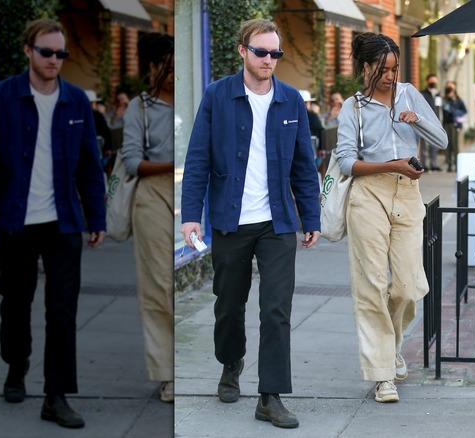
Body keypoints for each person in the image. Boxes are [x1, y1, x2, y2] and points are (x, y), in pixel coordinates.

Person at [0, 18, 106, 429]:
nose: (54, 60)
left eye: (61, 53)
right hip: (15, 222)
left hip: (62, 224)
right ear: (28, 51)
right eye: (47, 52)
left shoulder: (77, 100)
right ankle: (17, 363)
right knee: (15, 303)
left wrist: (96, 217)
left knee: (62, 310)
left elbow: (89, 168)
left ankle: (56, 396)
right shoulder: (4, 96)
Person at [180, 18, 320, 429]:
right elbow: (199, 159)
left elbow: (304, 167)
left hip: (277, 222)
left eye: (276, 53)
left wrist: (309, 217)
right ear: (243, 51)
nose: (269, 60)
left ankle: (270, 396)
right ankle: (231, 361)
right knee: (228, 304)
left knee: (276, 309)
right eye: (261, 52)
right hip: (229, 220)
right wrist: (191, 215)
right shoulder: (217, 96)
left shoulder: (291, 100)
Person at [334, 32, 447, 403]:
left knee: (407, 286)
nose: (389, 76)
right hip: (369, 194)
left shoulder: (409, 93)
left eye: (394, 69)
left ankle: (392, 347)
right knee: (372, 285)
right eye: (383, 69)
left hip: (407, 194)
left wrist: (418, 121)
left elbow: (442, 140)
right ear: (365, 67)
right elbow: (346, 161)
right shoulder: (352, 108)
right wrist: (389, 164)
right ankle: (383, 374)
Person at [119, 32, 175, 404]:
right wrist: (173, 165)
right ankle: (167, 374)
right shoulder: (140, 108)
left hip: (187, 196)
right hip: (153, 196)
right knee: (159, 285)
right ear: (154, 66)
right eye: (168, 66)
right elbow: (130, 161)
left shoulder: (192, 101)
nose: (174, 74)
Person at [442, 80, 466, 172]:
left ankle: (457, 165)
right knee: (448, 145)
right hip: (446, 124)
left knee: (456, 145)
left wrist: (453, 110)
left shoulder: (458, 100)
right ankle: (449, 164)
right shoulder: (443, 99)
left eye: (451, 87)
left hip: (456, 125)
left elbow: (464, 111)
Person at [85, 89, 112, 171]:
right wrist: (108, 148)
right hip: (98, 151)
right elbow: (106, 131)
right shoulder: (97, 115)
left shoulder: (79, 115)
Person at [419, 73, 442, 170]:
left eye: (434, 81)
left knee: (434, 144)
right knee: (424, 145)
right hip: (425, 122)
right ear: (427, 82)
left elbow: (439, 108)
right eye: (431, 81)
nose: (433, 83)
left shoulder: (437, 94)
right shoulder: (422, 94)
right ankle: (424, 164)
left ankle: (434, 163)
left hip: (435, 122)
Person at [299, 89, 325, 172]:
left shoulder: (291, 116)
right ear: (307, 103)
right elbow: (321, 131)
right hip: (313, 153)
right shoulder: (312, 116)